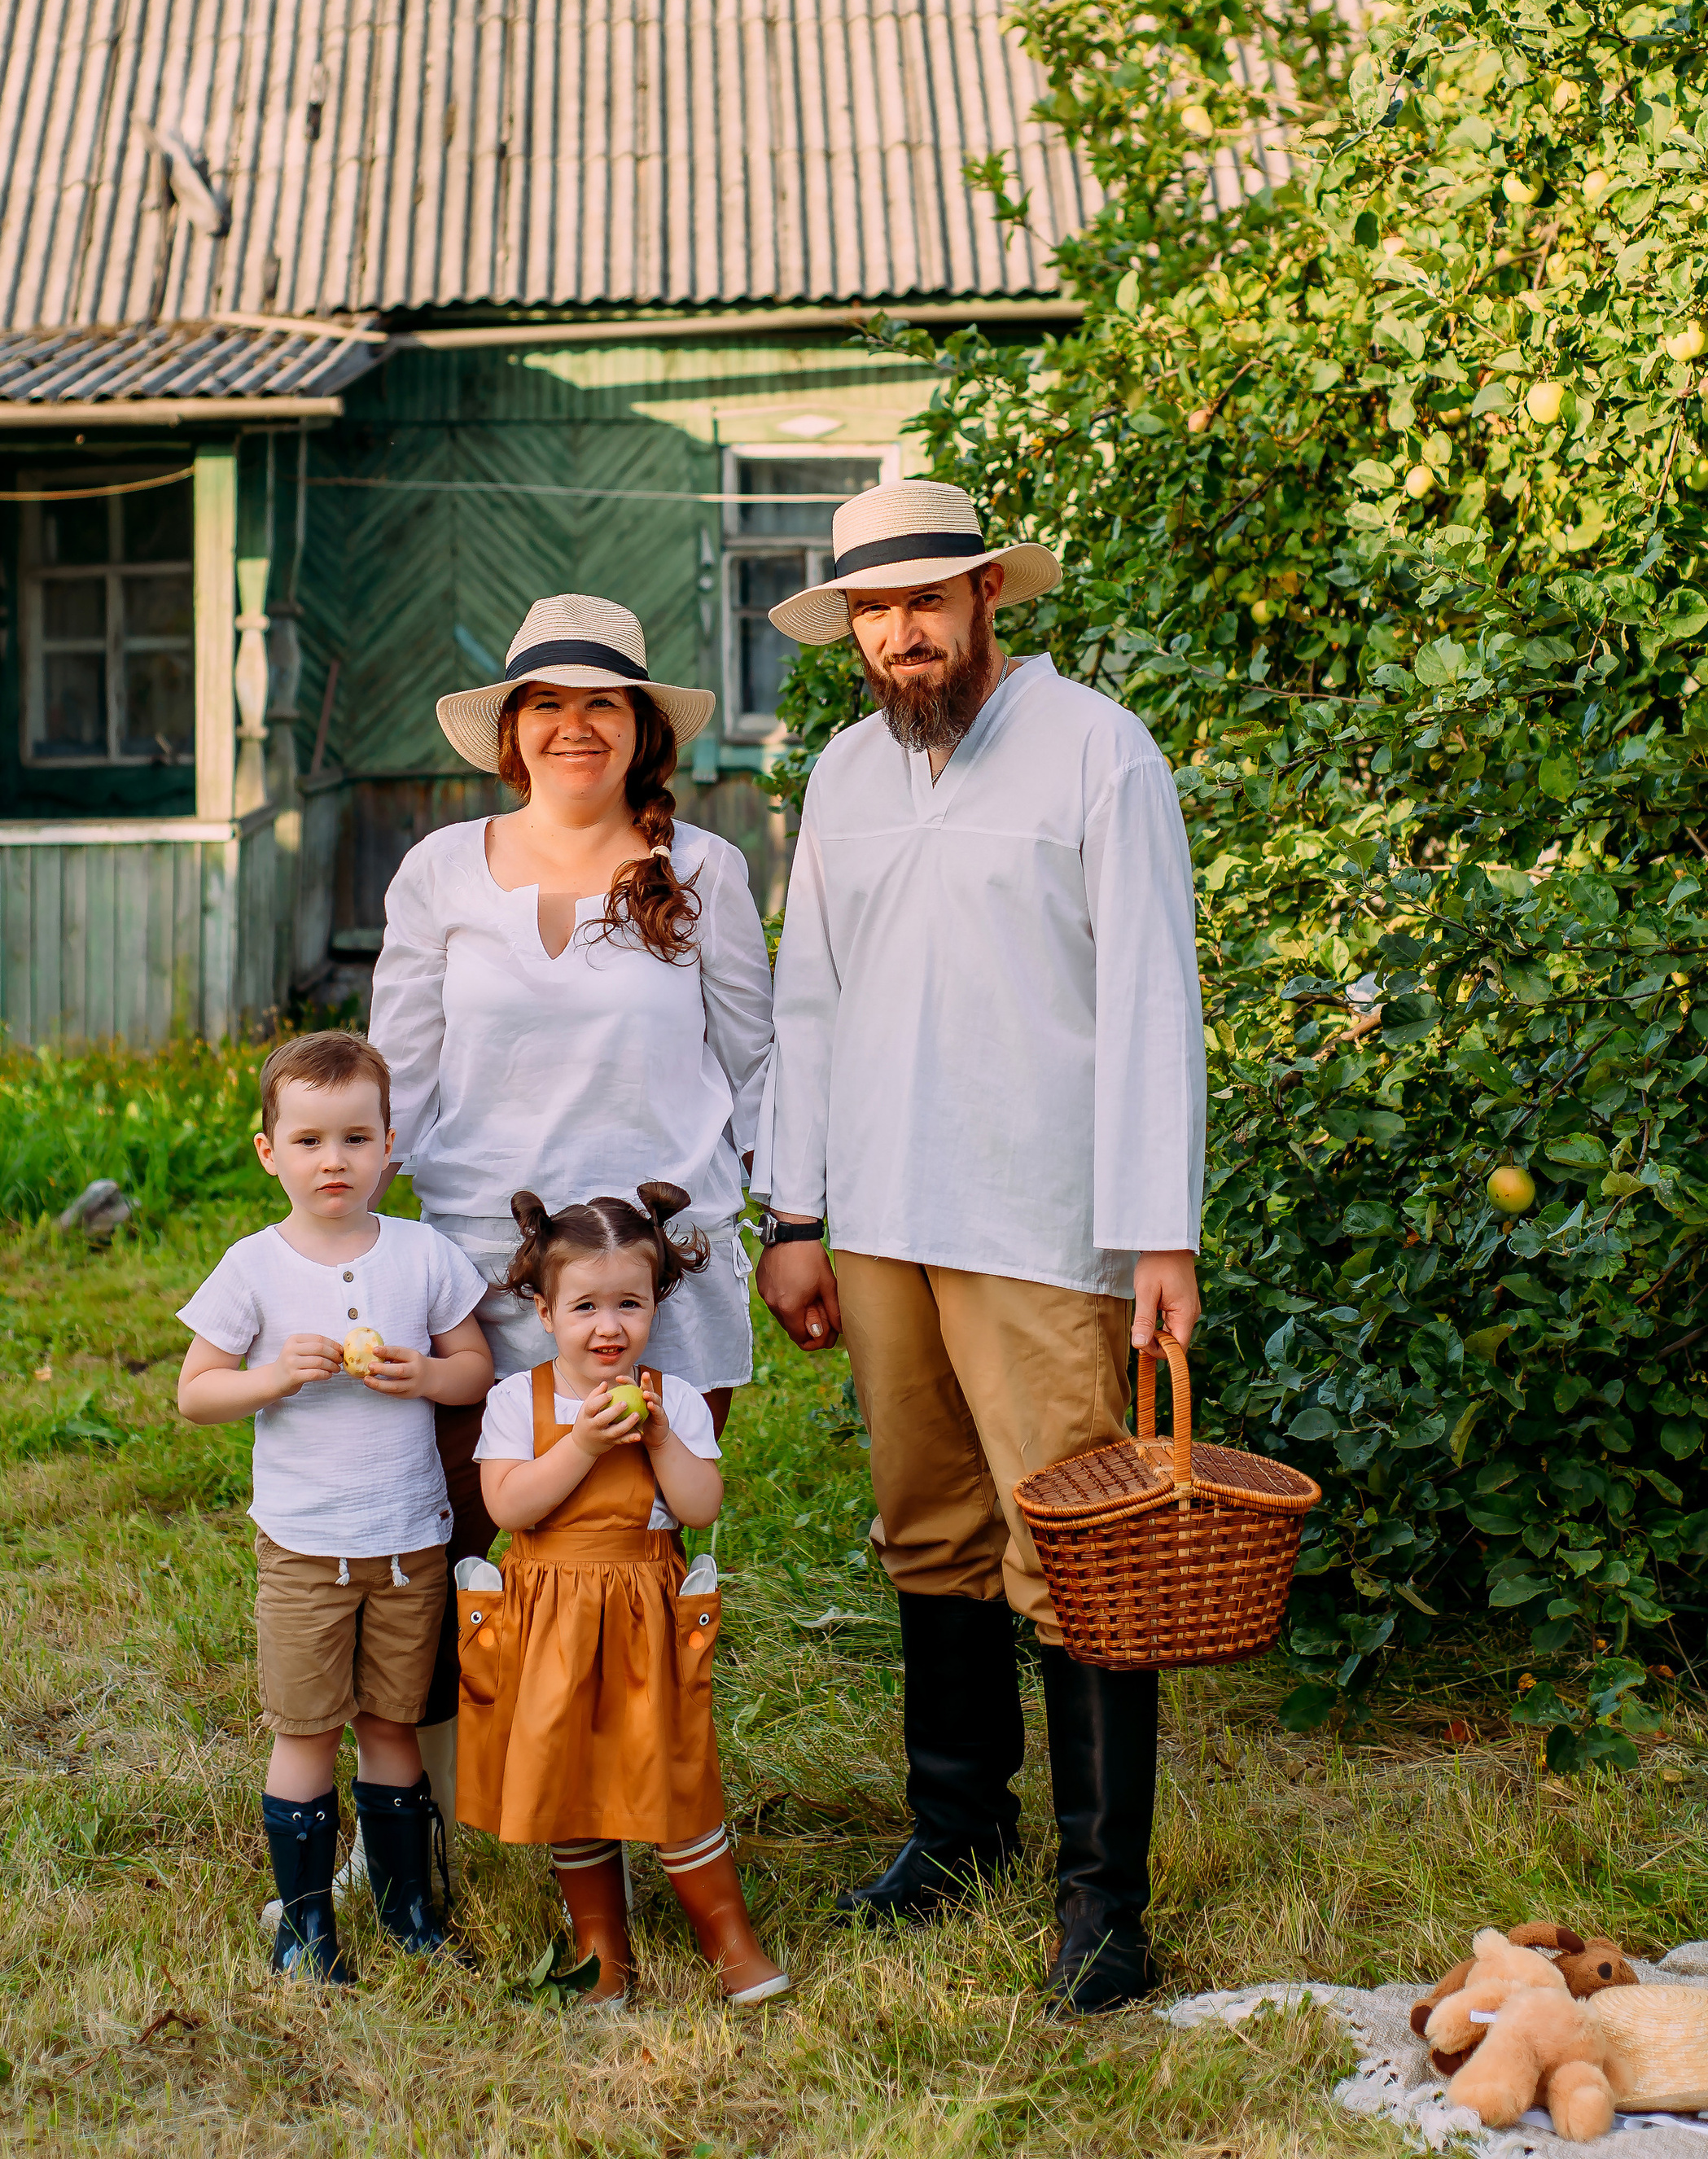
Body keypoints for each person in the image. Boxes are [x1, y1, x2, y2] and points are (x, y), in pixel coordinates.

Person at [752, 479, 1207, 2014]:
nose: (900, 636)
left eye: (925, 603)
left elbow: (1153, 994)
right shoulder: (842, 776)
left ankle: (1103, 1898)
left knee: (1072, 1548)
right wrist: (794, 1212)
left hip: (1037, 1215)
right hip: (877, 1211)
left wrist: (1158, 1230)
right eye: (874, 613)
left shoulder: (1098, 751)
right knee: (926, 1525)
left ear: (987, 598)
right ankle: (956, 1829)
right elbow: (808, 997)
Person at [369, 595, 773, 1846]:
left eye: (602, 701)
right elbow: (399, 1069)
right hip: (481, 1276)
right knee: (465, 1547)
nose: (573, 725)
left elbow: (761, 1065)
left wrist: (802, 1222)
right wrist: (353, 1251)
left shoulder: (702, 868)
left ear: (642, 726)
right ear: (512, 729)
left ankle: (640, 1809)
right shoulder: (442, 869)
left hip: (659, 1274)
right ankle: (438, 1811)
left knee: (630, 1559)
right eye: (547, 701)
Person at [176, 1030, 493, 1982]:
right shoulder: (254, 1267)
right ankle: (306, 1926)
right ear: (270, 1150)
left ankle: (408, 1910)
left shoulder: (422, 1255)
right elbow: (196, 1393)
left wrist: (426, 1373)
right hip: (307, 1548)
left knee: (393, 1724)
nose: (334, 1161)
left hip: (408, 1544)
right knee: (308, 1727)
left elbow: (474, 1368)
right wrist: (271, 1377)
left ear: (388, 1145)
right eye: (309, 1140)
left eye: (356, 1139)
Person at [458, 1183, 787, 2008]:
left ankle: (726, 1937)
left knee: (669, 1767)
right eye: (586, 1306)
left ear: (657, 1304)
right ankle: (600, 1947)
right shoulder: (516, 1402)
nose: (609, 1326)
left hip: (643, 1609)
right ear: (543, 1311)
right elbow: (509, 1508)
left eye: (630, 1304)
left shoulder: (668, 1399)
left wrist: (662, 1438)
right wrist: (578, 1445)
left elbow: (701, 1506)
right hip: (550, 1616)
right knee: (567, 1777)